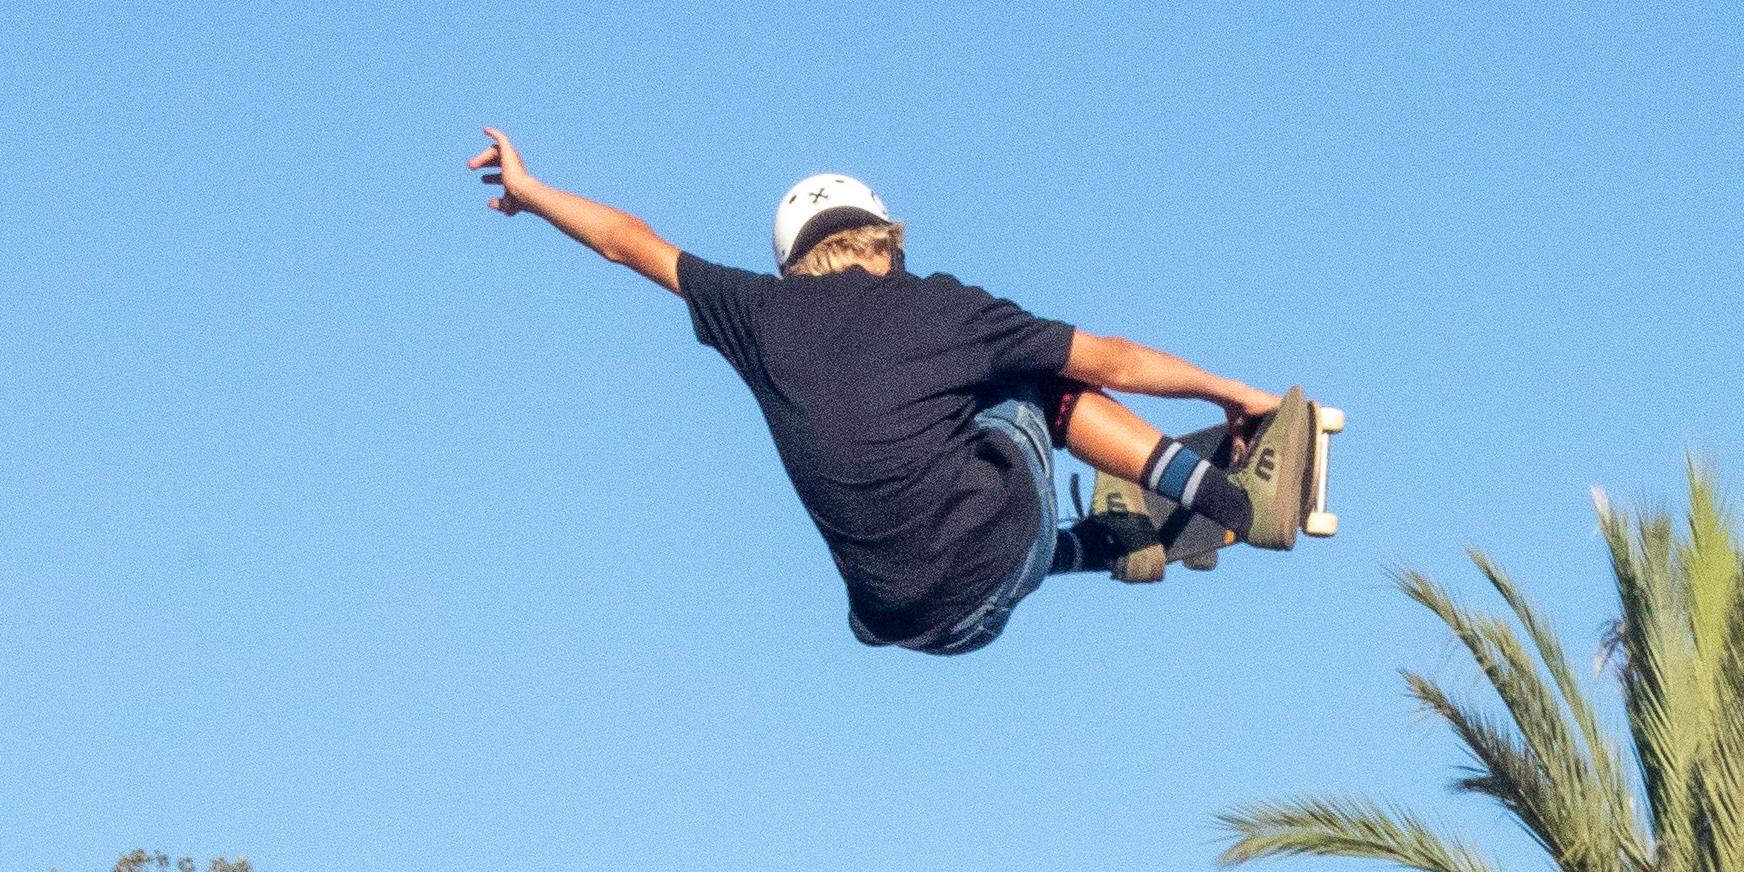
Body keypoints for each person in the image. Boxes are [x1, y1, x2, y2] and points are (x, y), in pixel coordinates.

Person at [468, 136, 1320, 657]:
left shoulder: (756, 314)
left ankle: (1102, 545)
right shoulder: (942, 307)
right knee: (1036, 374)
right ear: (885, 241)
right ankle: (1237, 504)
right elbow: (1116, 361)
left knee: (946, 476)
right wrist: (1232, 392)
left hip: (914, 627)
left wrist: (532, 192)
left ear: (791, 263)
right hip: (999, 554)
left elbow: (627, 244)